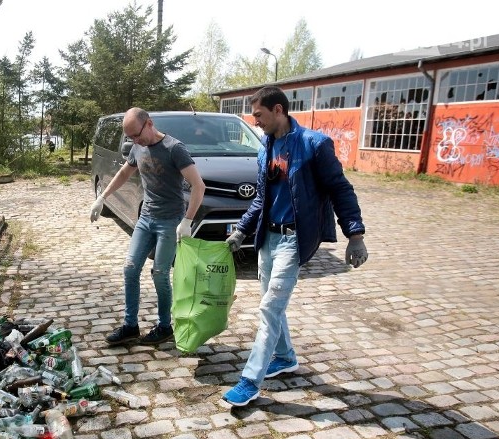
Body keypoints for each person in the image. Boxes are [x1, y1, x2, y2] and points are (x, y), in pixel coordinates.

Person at [222, 86, 368, 407]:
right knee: (270, 303)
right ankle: (285, 356)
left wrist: (354, 234)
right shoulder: (266, 147)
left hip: (293, 240)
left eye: (258, 115)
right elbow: (262, 198)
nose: (255, 121)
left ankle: (250, 379)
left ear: (278, 110)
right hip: (267, 239)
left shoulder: (314, 145)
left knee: (269, 308)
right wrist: (241, 231)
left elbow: (341, 189)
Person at [90, 107, 206, 346]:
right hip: (146, 219)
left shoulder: (175, 149)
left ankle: (165, 326)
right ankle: (130, 326)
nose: (135, 141)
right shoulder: (137, 147)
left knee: (160, 274)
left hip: (170, 221)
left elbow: (198, 186)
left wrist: (188, 220)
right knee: (130, 269)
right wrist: (103, 197)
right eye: (130, 138)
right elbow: (124, 172)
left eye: (136, 135)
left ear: (149, 123)